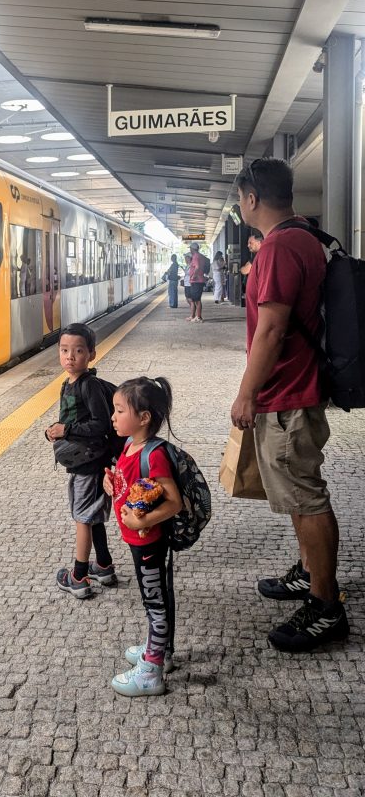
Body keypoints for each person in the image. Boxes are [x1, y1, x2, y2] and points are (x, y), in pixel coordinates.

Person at [230, 157, 349, 652]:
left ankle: (326, 607)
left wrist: (247, 393)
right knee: (302, 494)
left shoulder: (279, 246)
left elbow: (273, 328)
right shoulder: (305, 236)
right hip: (297, 389)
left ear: (252, 198)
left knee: (306, 498)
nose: (240, 207)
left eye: (240, 199)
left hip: (288, 395)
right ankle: (308, 574)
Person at [103, 377, 182, 696]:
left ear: (144, 417)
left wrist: (143, 522)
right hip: (137, 540)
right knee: (154, 598)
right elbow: (130, 484)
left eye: (120, 410)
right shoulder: (128, 445)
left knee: (154, 602)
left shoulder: (154, 454)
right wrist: (112, 485)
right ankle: (159, 649)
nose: (113, 417)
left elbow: (174, 502)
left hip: (148, 542)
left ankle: (151, 671)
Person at [45, 323, 118, 597]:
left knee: (83, 518)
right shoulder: (69, 383)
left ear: (91, 355)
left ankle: (79, 576)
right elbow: (73, 419)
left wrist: (68, 430)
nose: (70, 357)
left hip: (90, 464)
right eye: (64, 350)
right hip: (85, 460)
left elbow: (100, 425)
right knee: (93, 514)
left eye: (78, 351)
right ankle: (104, 564)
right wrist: (56, 429)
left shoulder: (89, 386)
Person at [188, 241, 208, 322]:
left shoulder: (196, 256)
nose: (190, 250)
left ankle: (198, 317)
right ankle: (197, 316)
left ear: (192, 249)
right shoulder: (200, 256)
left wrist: (193, 276)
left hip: (197, 281)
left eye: (190, 248)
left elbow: (197, 267)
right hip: (198, 281)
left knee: (197, 300)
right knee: (196, 299)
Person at [182, 252, 192, 317]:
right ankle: (193, 310)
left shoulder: (191, 265)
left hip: (190, 284)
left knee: (189, 298)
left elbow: (190, 273)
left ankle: (193, 313)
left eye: (186, 258)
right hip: (187, 283)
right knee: (187, 298)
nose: (185, 259)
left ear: (189, 258)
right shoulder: (187, 265)